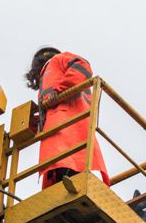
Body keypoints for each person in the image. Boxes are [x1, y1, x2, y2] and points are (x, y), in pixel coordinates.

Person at [24, 46, 110, 189]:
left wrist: (60, 89)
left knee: (69, 166)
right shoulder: (50, 78)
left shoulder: (57, 60)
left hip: (67, 130)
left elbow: (83, 66)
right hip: (67, 132)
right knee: (68, 168)